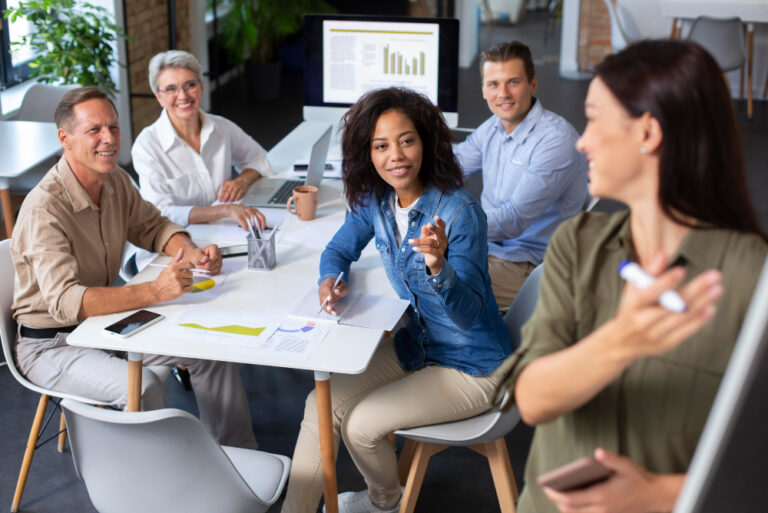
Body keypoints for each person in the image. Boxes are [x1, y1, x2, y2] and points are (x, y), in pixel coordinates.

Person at [493, 40, 768, 513]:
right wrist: (622, 340)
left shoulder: (752, 277)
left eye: (595, 118)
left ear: (648, 131)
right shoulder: (577, 244)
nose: (582, 141)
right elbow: (532, 400)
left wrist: (656, 496)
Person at [281, 87, 511, 513]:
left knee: (360, 426)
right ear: (367, 153)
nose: (396, 156)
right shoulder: (376, 201)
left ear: (425, 141)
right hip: (418, 348)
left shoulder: (459, 212)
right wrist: (330, 278)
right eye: (381, 146)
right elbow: (337, 250)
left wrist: (439, 266)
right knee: (321, 402)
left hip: (473, 365)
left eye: (407, 140)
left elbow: (470, 315)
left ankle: (384, 504)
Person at [10, 87, 257, 449]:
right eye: (94, 130)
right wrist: (156, 291)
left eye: (113, 127)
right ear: (65, 138)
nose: (109, 139)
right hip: (52, 345)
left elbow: (153, 227)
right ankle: (160, 486)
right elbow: (67, 302)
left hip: (103, 325)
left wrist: (189, 251)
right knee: (142, 386)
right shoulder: (43, 209)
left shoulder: (115, 181)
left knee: (209, 351)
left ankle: (235, 456)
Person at [454, 41, 587, 310]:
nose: (503, 93)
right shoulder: (493, 127)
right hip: (488, 250)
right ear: (483, 90)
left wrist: (449, 228)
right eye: (493, 84)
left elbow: (512, 221)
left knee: (429, 289)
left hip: (528, 265)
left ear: (532, 84)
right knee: (408, 263)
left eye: (513, 82)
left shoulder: (555, 140)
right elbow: (452, 168)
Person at [132, 50, 270, 232]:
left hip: (227, 228)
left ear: (201, 87)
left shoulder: (222, 128)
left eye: (190, 85)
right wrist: (224, 209)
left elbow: (258, 159)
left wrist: (242, 181)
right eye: (171, 89)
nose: (183, 96)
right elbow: (161, 212)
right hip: (183, 237)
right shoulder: (147, 146)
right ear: (159, 97)